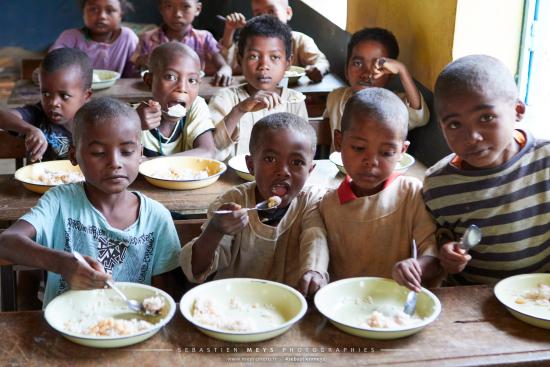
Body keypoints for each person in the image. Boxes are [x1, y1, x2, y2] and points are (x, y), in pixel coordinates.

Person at [0, 97, 182, 306]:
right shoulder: (59, 202)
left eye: (127, 151)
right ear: (73, 155)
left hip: (130, 329)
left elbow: (165, 300)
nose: (115, 163)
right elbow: (6, 243)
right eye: (98, 153)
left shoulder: (156, 218)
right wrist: (63, 263)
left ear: (140, 154)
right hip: (65, 326)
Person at [423, 54, 550, 285]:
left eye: (486, 117)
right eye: (454, 124)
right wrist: (447, 252)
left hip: (537, 297)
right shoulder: (438, 184)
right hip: (470, 301)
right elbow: (440, 237)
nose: (472, 137)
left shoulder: (545, 162)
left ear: (518, 110)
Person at [180, 112, 329, 297]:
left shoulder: (311, 201)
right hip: (234, 303)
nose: (283, 171)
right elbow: (196, 270)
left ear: (310, 170)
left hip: (289, 305)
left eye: (297, 162)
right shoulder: (232, 203)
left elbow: (315, 237)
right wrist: (215, 229)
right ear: (251, 165)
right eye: (270, 159)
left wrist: (314, 271)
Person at [320, 88, 441, 291]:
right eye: (359, 148)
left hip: (392, 305)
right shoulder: (327, 203)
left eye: (386, 152)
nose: (371, 162)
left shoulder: (410, 194)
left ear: (402, 151)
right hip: (340, 304)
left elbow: (431, 250)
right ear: (339, 142)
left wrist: (417, 266)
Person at [209, 15, 308, 161]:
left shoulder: (294, 101)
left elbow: (304, 149)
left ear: (288, 63)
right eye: (254, 56)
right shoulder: (225, 98)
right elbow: (211, 148)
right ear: (239, 59)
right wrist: (240, 109)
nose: (264, 66)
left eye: (274, 57)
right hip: (229, 182)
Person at [324, 27, 429, 151]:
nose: (366, 73)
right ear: (346, 69)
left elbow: (419, 116)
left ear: (389, 74)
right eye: (358, 63)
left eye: (378, 66)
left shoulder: (394, 105)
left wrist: (402, 70)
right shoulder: (335, 97)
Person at [0, 48, 92, 162]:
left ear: (86, 96)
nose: (53, 103)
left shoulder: (97, 122)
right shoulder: (37, 115)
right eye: (46, 94)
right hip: (40, 179)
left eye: (64, 96)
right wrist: (30, 130)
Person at [138, 42, 216, 158]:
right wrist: (134, 124)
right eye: (170, 77)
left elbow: (207, 152)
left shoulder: (196, 105)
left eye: (192, 80)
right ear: (149, 81)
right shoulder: (132, 118)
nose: (182, 88)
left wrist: (151, 162)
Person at [220, 0, 330, 82]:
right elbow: (230, 65)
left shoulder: (299, 40)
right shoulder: (250, 43)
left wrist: (318, 69)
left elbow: (322, 61)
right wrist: (229, 30)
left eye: (271, 11)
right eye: (258, 14)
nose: (266, 18)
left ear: (288, 13)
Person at [131, 0, 232, 86]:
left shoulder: (204, 38)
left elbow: (223, 65)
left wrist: (225, 70)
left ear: (197, 9)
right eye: (169, 6)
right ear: (161, 9)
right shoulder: (148, 38)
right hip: (154, 94)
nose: (177, 14)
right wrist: (144, 60)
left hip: (193, 95)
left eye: (186, 6)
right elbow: (135, 68)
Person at [50, 0, 138, 77]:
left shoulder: (127, 37)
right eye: (93, 9)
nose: (102, 16)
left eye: (109, 11)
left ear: (120, 15)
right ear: (83, 13)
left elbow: (135, 70)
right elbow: (53, 60)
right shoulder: (70, 37)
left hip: (120, 93)